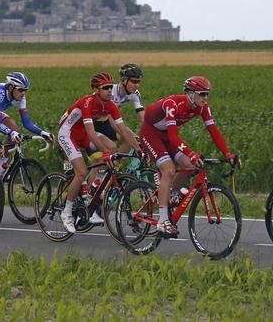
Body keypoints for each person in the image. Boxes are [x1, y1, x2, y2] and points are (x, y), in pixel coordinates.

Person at [139, 76, 238, 238]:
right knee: (169, 170)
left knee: (191, 166)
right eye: (202, 94)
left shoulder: (203, 107)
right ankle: (163, 220)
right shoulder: (172, 104)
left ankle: (171, 193)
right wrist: (191, 153)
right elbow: (173, 136)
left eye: (207, 94)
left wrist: (227, 154)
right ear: (190, 94)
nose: (205, 98)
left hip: (167, 136)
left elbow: (214, 131)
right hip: (151, 134)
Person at [57, 72, 141, 233]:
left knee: (108, 155)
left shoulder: (110, 105)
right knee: (81, 172)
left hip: (82, 133)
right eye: (105, 88)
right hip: (68, 133)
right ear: (96, 90)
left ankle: (90, 197)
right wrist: (105, 152)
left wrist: (139, 148)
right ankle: (66, 212)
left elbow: (123, 130)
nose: (110, 90)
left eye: (111, 87)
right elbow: (91, 133)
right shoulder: (88, 102)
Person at [92, 63, 145, 157]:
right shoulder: (110, 93)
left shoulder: (135, 93)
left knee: (130, 140)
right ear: (124, 80)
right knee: (122, 140)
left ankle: (117, 165)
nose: (137, 85)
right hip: (92, 124)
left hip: (105, 123)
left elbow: (143, 117)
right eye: (134, 81)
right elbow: (114, 123)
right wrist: (131, 136)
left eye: (138, 82)